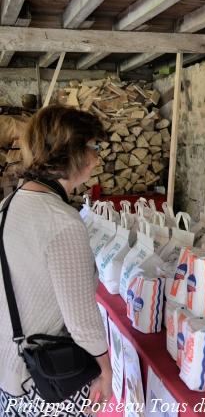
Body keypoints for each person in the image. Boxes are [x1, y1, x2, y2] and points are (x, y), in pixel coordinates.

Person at [0, 105, 112, 415]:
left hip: (11, 368)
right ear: (72, 151)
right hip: (46, 381)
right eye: (94, 146)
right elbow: (82, 322)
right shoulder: (61, 220)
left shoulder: (9, 204)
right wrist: (105, 370)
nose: (98, 158)